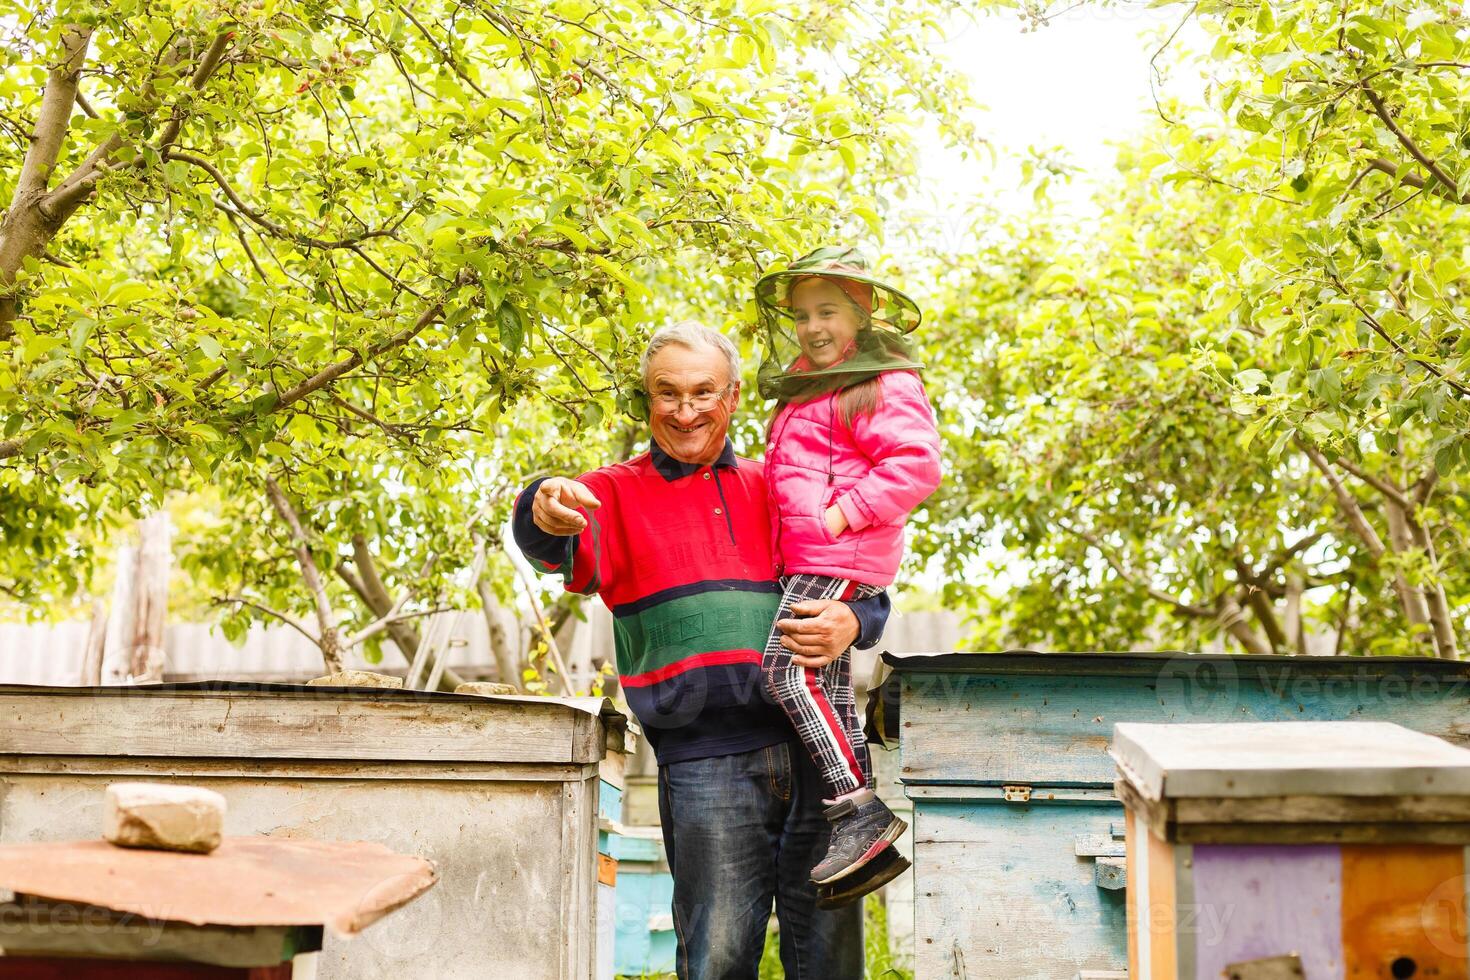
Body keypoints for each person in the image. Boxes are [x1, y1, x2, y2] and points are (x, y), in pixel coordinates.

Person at [511, 321, 892, 979]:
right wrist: (540, 504)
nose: (685, 411)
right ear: (647, 399)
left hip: (822, 759)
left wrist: (851, 622)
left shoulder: (785, 484)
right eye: (668, 394)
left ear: (734, 396)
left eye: (702, 393)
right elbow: (551, 535)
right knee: (716, 957)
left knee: (832, 962)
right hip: (706, 763)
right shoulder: (611, 493)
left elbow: (868, 587)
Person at [753, 245, 943, 888]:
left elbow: (916, 465)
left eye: (827, 310)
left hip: (835, 554)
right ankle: (864, 839)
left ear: (862, 314)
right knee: (827, 686)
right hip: (812, 554)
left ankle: (857, 811)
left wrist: (840, 515)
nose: (813, 327)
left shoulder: (882, 381)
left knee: (785, 673)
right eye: (802, 315)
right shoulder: (811, 386)